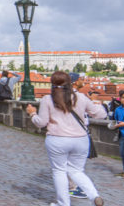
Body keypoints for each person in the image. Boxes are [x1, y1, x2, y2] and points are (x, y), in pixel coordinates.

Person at [26, 70, 106, 206]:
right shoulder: (80, 97)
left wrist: (32, 113)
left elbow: (41, 123)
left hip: (57, 140)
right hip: (80, 139)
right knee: (76, 171)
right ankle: (94, 196)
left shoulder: (47, 99)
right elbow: (101, 115)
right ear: (70, 83)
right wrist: (95, 103)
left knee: (59, 171)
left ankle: (63, 204)